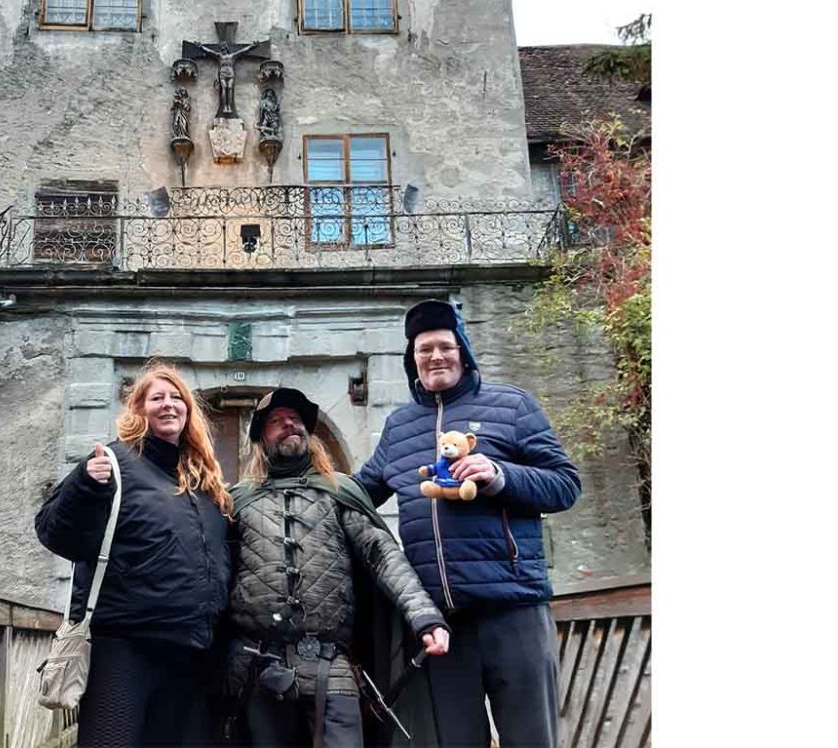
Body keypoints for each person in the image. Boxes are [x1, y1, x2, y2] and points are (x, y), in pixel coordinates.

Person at [356, 299, 582, 747]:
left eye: (444, 346)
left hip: (512, 608)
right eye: (424, 350)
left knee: (531, 738)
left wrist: (500, 475)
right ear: (412, 360)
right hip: (441, 625)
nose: (435, 357)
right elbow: (357, 495)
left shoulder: (512, 406)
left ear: (463, 351)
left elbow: (565, 484)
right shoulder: (399, 428)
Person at [223, 388, 450, 748]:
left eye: (295, 420)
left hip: (332, 666)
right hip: (256, 668)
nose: (289, 425)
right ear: (261, 439)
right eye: (277, 422)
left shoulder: (338, 491)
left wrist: (424, 616)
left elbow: (383, 555)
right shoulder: (237, 501)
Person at [34, 361, 232, 747]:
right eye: (157, 398)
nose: (169, 404)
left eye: (177, 398)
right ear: (139, 409)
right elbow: (56, 533)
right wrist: (85, 484)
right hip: (125, 650)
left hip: (190, 655)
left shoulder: (204, 484)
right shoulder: (113, 464)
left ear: (189, 412)